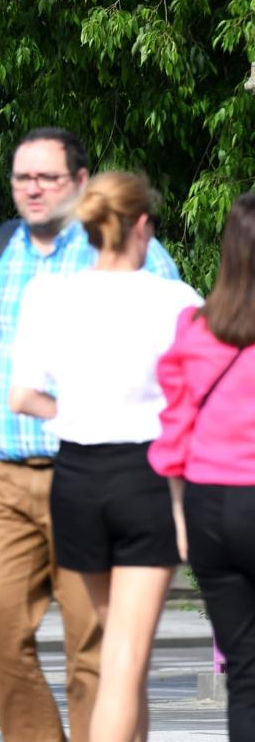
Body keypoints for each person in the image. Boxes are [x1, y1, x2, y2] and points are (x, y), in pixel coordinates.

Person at [0, 128, 181, 742]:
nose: (32, 189)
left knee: (97, 642)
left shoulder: (133, 253)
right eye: (22, 178)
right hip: (2, 473)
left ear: (80, 181)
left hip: (95, 469)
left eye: (46, 178)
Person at [9, 171, 201, 742]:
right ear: (142, 225)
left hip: (74, 478)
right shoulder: (176, 301)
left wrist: (71, 412)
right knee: (124, 657)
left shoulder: (48, 294)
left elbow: (21, 396)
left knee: (121, 649)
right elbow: (203, 396)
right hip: (145, 479)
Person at [149, 192, 255, 741]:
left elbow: (173, 435)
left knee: (244, 675)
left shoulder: (196, 330)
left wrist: (181, 520)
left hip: (210, 508)